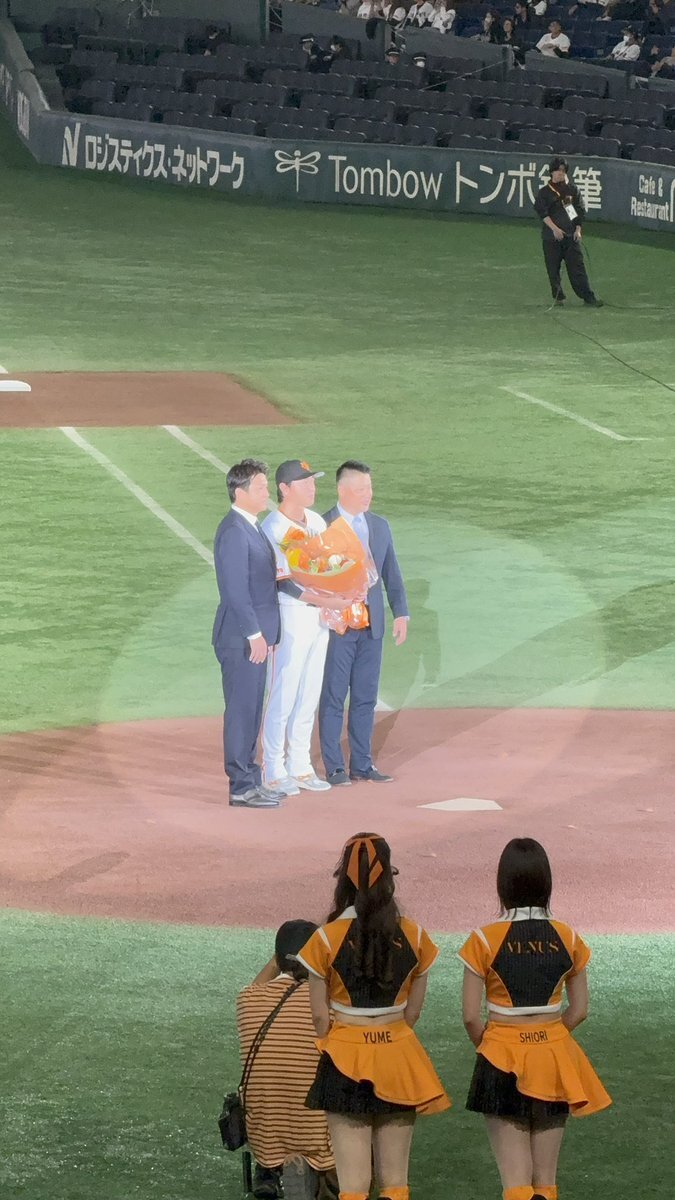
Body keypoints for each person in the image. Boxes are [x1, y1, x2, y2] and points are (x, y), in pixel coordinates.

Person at [298, 832, 450, 1200]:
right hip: (398, 1054)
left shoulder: (325, 938)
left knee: (353, 1185)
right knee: (395, 1181)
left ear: (344, 878)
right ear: (389, 875)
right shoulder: (414, 935)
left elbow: (319, 1019)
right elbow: (413, 1012)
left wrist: (341, 1042)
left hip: (344, 1057)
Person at [459, 837, 612, 1200]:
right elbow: (579, 1009)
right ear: (546, 882)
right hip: (553, 1058)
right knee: (545, 1183)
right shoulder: (568, 936)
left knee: (516, 1185)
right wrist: (549, 1036)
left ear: (503, 883)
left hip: (501, 1057)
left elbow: (470, 1016)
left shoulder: (483, 939)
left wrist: (490, 1046)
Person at [261, 460, 352, 796]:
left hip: (319, 618)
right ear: (285, 488)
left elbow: (330, 566)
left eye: (313, 481)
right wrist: (325, 600)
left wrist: (336, 598)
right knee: (284, 691)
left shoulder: (316, 521)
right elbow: (283, 582)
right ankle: (272, 768)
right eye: (305, 483)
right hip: (291, 615)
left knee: (309, 691)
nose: (312, 487)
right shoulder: (273, 526)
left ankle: (300, 765)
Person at [319, 461, 409, 786]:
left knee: (365, 697)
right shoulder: (322, 526)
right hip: (338, 629)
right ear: (342, 490)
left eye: (369, 488)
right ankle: (334, 767)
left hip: (372, 628)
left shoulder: (379, 526)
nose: (368, 494)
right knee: (333, 696)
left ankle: (362, 763)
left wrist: (401, 612)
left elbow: (391, 573)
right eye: (361, 489)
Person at [237, 920, 337, 1200]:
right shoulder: (330, 1004)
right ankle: (323, 1178)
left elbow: (261, 980)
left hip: (265, 1135)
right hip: (318, 1134)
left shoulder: (247, 999)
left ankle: (271, 1169)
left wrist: (281, 958)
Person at [212, 460, 284, 809]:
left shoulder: (250, 527)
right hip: (241, 638)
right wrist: (254, 633)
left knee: (252, 709)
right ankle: (240, 786)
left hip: (254, 637)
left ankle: (251, 781)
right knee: (242, 711)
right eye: (260, 487)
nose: (266, 492)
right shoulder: (234, 531)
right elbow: (235, 590)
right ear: (240, 492)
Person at [533, 158, 604, 308]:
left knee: (577, 268)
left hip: (570, 237)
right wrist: (555, 229)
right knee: (553, 269)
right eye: (558, 170)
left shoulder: (569, 191)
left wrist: (578, 229)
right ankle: (558, 297)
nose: (561, 173)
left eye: (563, 171)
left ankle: (588, 297)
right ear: (551, 172)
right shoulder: (544, 193)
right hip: (551, 238)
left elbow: (574, 213)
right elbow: (543, 214)